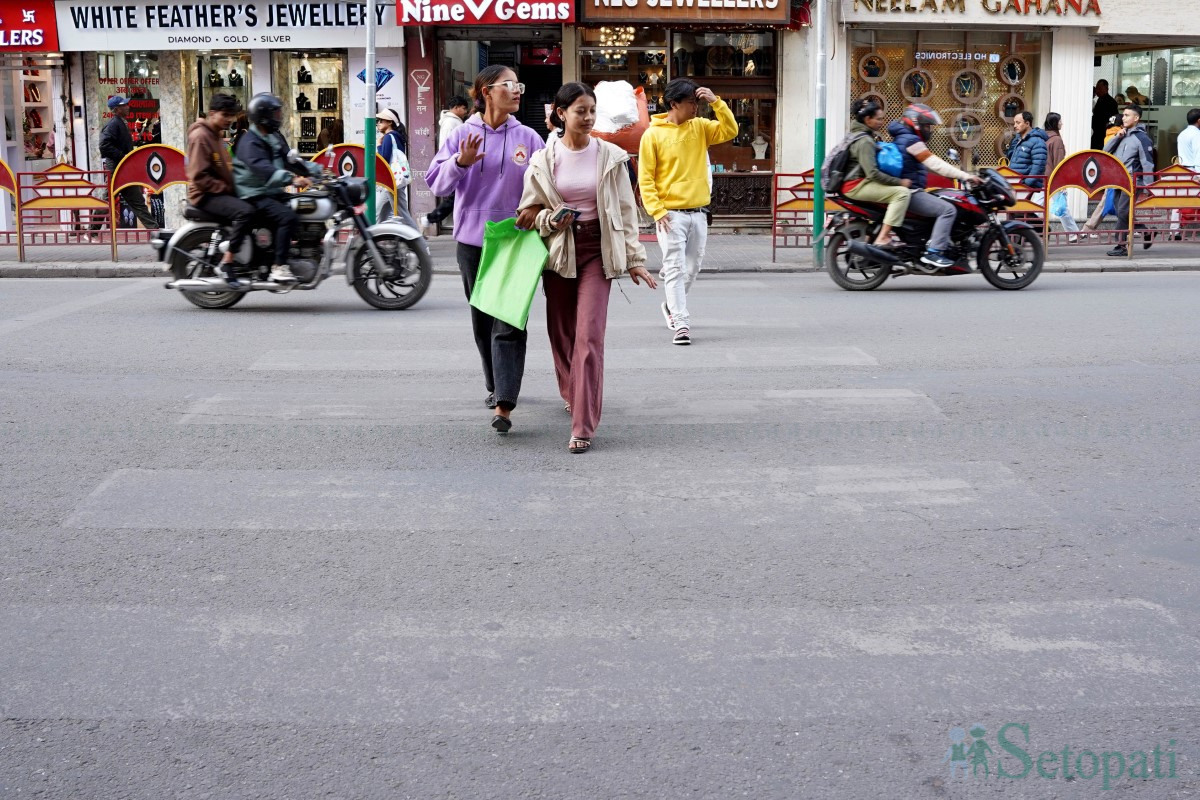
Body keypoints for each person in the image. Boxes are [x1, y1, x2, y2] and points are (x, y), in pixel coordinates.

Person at [518, 82, 657, 454]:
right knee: (562, 335)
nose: (588, 117)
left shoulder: (611, 156)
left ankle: (583, 424)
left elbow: (627, 212)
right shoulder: (543, 160)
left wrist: (634, 260)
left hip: (598, 249)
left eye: (592, 110)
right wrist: (551, 220)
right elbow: (527, 213)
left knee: (589, 337)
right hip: (559, 252)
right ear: (561, 114)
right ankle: (571, 389)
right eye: (581, 111)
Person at [426, 66, 545, 434]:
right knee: (482, 322)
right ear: (486, 91)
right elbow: (436, 182)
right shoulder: (462, 134)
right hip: (472, 242)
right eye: (508, 85)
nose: (516, 91)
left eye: (518, 85)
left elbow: (547, 184)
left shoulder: (529, 137)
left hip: (516, 241)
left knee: (509, 322)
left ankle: (505, 402)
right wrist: (461, 162)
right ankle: (495, 384)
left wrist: (536, 206)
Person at [638, 78, 738, 346]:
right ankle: (681, 322)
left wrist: (716, 102)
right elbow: (645, 178)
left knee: (692, 268)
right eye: (691, 103)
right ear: (674, 104)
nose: (696, 107)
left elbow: (730, 130)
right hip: (670, 214)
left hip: (699, 211)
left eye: (697, 102)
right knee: (674, 267)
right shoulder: (653, 135)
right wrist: (657, 212)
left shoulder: (701, 128)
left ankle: (671, 306)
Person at [233, 93, 319, 283]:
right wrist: (293, 180)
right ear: (263, 116)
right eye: (276, 114)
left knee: (298, 206)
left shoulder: (271, 138)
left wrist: (319, 171)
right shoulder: (250, 142)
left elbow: (291, 159)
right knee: (287, 217)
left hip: (268, 191)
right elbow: (264, 169)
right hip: (254, 194)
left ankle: (289, 253)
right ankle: (279, 267)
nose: (278, 118)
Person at [887, 104, 980, 270]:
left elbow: (928, 165)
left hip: (909, 191)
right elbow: (934, 164)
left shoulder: (903, 138)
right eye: (927, 126)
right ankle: (934, 251)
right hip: (911, 193)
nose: (929, 130)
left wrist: (953, 173)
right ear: (916, 123)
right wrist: (965, 176)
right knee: (948, 210)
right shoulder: (911, 140)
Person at [186, 93, 254, 286]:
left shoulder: (215, 135)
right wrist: (226, 188)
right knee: (245, 212)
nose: (229, 120)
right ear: (212, 113)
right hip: (205, 195)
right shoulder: (201, 137)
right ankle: (227, 262)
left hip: (218, 192)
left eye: (231, 115)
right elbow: (199, 177)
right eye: (225, 115)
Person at [839, 98, 912, 248]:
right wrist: (900, 182)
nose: (881, 122)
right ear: (868, 119)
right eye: (878, 119)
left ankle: (872, 236)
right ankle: (883, 237)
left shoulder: (858, 134)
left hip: (857, 182)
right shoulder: (864, 141)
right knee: (901, 194)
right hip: (855, 185)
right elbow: (873, 173)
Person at [99, 95, 160, 229]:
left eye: (126, 104)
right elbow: (104, 146)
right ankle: (91, 231)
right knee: (108, 199)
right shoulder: (114, 124)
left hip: (123, 168)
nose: (128, 106)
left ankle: (154, 229)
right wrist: (123, 156)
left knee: (136, 201)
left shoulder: (121, 122)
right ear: (116, 109)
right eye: (124, 105)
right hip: (116, 169)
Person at [1104, 104, 1156, 257]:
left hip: (1133, 180)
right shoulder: (1123, 135)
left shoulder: (1142, 138)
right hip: (1119, 179)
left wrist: (1148, 186)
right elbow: (1105, 152)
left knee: (1122, 211)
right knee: (1121, 211)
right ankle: (1147, 232)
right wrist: (1116, 137)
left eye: (1127, 115)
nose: (1124, 118)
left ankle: (1121, 245)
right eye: (1124, 115)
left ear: (1136, 118)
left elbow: (1147, 163)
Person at [421, 95, 469, 232]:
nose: (465, 111)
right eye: (464, 108)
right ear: (456, 107)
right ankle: (430, 218)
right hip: (455, 165)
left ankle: (430, 219)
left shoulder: (455, 122)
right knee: (454, 198)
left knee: (456, 197)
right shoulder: (451, 123)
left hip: (458, 164)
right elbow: (447, 146)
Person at [1042, 112, 1082, 243]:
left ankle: (1073, 233)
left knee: (1038, 206)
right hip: (1053, 179)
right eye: (1060, 121)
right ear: (1055, 123)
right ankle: (1073, 233)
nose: (1061, 123)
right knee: (1061, 207)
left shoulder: (1043, 138)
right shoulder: (1056, 140)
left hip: (1042, 177)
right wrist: (1062, 183)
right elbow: (1059, 163)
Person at [375, 108, 417, 229]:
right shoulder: (397, 136)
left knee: (402, 213)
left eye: (381, 121)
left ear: (390, 122)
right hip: (393, 180)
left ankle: (419, 242)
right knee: (380, 212)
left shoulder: (389, 137)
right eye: (378, 121)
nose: (378, 123)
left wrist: (378, 145)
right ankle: (375, 240)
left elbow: (384, 160)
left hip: (392, 181)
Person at [1005, 112, 1047, 188]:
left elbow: (1038, 165)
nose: (1015, 126)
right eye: (1014, 123)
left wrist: (1027, 183)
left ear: (1027, 123)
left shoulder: (1037, 141)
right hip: (1016, 184)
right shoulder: (1019, 140)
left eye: (1018, 123)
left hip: (1027, 187)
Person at [1091, 80, 1118, 151]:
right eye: (1096, 88)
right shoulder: (1100, 100)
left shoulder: (1111, 102)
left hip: (1104, 134)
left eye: (1099, 88)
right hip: (1097, 133)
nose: (1097, 91)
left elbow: (1112, 119)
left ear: (1106, 89)